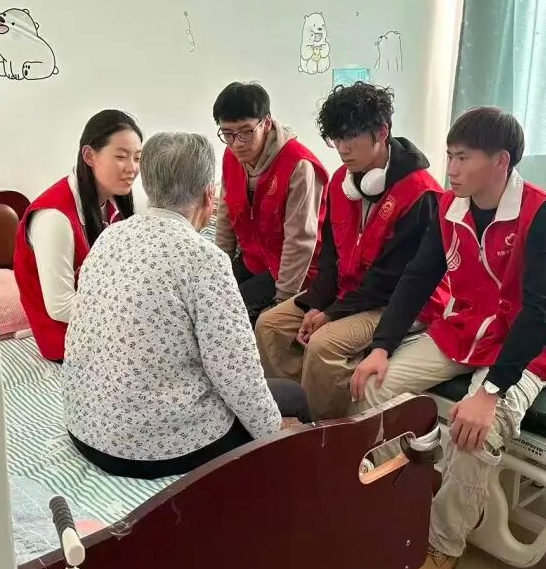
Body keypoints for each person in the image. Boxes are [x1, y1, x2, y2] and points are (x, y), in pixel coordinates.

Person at [350, 107, 546, 569]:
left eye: (462, 158)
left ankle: (443, 544)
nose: (450, 168)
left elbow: (540, 315)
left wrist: (490, 392)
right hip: (466, 329)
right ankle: (393, 492)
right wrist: (381, 347)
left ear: (501, 161)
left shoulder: (544, 218)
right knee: (372, 387)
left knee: (473, 434)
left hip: (524, 348)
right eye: (449, 156)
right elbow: (418, 277)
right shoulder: (450, 207)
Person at [61, 132, 310, 480]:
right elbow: (236, 373)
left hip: (86, 429)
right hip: (153, 449)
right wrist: (273, 437)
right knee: (293, 396)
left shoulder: (109, 237)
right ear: (209, 194)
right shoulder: (203, 258)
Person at [255, 83, 447, 420]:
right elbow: (330, 259)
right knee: (269, 325)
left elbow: (390, 281)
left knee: (324, 344)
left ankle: (323, 433)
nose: (342, 149)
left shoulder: (420, 195)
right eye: (336, 138)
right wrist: (318, 303)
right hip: (351, 295)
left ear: (382, 132)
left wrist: (331, 314)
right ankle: (294, 414)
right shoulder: (341, 182)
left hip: (399, 302)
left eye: (351, 137)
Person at [13, 110, 143, 361]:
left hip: (104, 324)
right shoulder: (54, 217)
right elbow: (60, 305)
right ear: (89, 156)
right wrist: (129, 316)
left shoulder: (116, 201)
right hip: (66, 340)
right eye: (121, 157)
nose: (132, 168)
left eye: (137, 158)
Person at [213, 82, 329, 324]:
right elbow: (225, 216)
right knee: (208, 297)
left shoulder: (297, 164)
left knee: (228, 315)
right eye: (227, 134)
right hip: (254, 260)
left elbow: (300, 241)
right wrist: (219, 269)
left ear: (266, 123)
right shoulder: (231, 157)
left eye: (245, 132)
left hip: (291, 271)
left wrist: (282, 300)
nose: (237, 143)